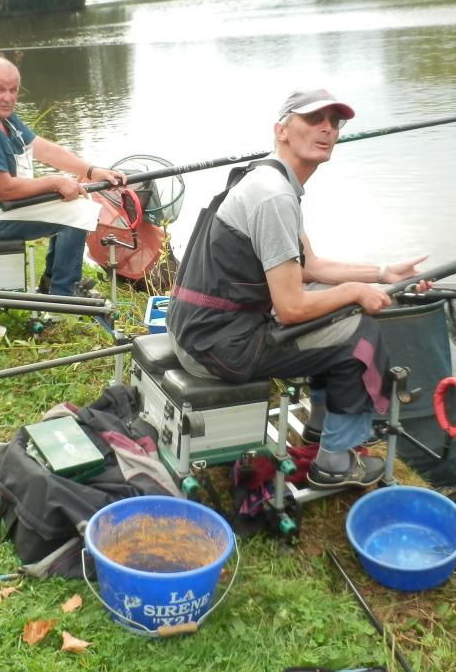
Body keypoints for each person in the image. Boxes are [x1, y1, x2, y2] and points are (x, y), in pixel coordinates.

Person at [166, 89, 429, 490]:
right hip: (216, 346)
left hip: (197, 328)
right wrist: (356, 292)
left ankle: (319, 428)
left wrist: (382, 272)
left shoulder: (267, 178)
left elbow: (313, 268)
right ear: (282, 130)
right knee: (361, 335)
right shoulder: (273, 196)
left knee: (335, 306)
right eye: (313, 119)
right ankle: (335, 463)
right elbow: (290, 308)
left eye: (334, 122)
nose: (327, 129)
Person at [0, 56, 125, 297]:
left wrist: (90, 171)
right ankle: (62, 298)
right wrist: (56, 182)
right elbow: (4, 189)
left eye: (13, 90)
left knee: (75, 203)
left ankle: (53, 284)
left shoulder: (1, 117)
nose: (8, 97)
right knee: (79, 213)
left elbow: (43, 149)